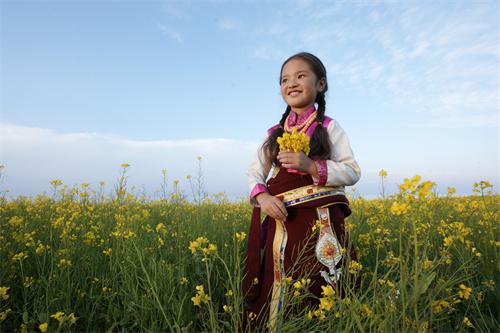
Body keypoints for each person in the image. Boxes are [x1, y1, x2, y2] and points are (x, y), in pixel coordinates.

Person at [242, 52, 361, 332]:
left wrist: (311, 166)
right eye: (284, 79)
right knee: (278, 279)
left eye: (300, 76)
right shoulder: (274, 132)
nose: (291, 83)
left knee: (322, 279)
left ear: (320, 85)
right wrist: (263, 198)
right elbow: (254, 172)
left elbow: (352, 171)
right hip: (282, 219)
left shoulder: (329, 127)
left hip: (322, 223)